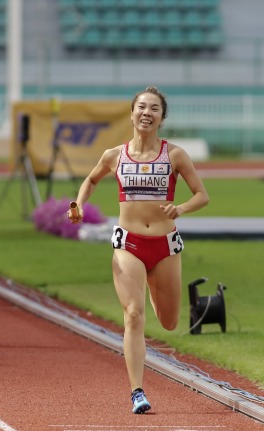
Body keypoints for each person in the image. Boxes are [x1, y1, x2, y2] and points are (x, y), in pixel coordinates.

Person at [67, 86, 209, 414]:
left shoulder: (174, 155)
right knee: (133, 315)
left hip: (165, 245)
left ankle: (158, 292)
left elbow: (202, 194)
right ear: (132, 113)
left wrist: (181, 209)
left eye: (154, 109)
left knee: (170, 322)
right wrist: (78, 203)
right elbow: (90, 180)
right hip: (128, 244)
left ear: (161, 118)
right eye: (141, 107)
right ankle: (137, 392)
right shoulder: (114, 156)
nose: (147, 113)